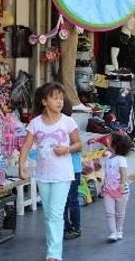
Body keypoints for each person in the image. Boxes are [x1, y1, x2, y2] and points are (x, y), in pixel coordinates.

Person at [20, 82, 82, 261]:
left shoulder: (68, 121)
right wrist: (21, 166)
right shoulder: (35, 123)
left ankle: (54, 254)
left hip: (63, 175)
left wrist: (67, 150)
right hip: (43, 175)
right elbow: (26, 145)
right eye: (55, 98)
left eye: (61, 98)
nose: (60, 101)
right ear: (44, 101)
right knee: (48, 215)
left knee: (55, 213)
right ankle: (51, 249)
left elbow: (78, 144)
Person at [103, 133, 133, 242]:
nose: (107, 142)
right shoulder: (107, 157)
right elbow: (106, 173)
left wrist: (122, 184)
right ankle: (113, 232)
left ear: (115, 145)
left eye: (109, 141)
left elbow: (123, 172)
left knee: (120, 213)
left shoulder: (121, 159)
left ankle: (119, 230)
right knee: (109, 212)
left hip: (121, 191)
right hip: (108, 190)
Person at [61, 98, 82, 240]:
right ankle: (64, 226)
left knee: (72, 198)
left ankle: (75, 226)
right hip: (62, 169)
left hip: (73, 169)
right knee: (62, 200)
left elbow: (78, 146)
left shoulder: (69, 125)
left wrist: (65, 148)